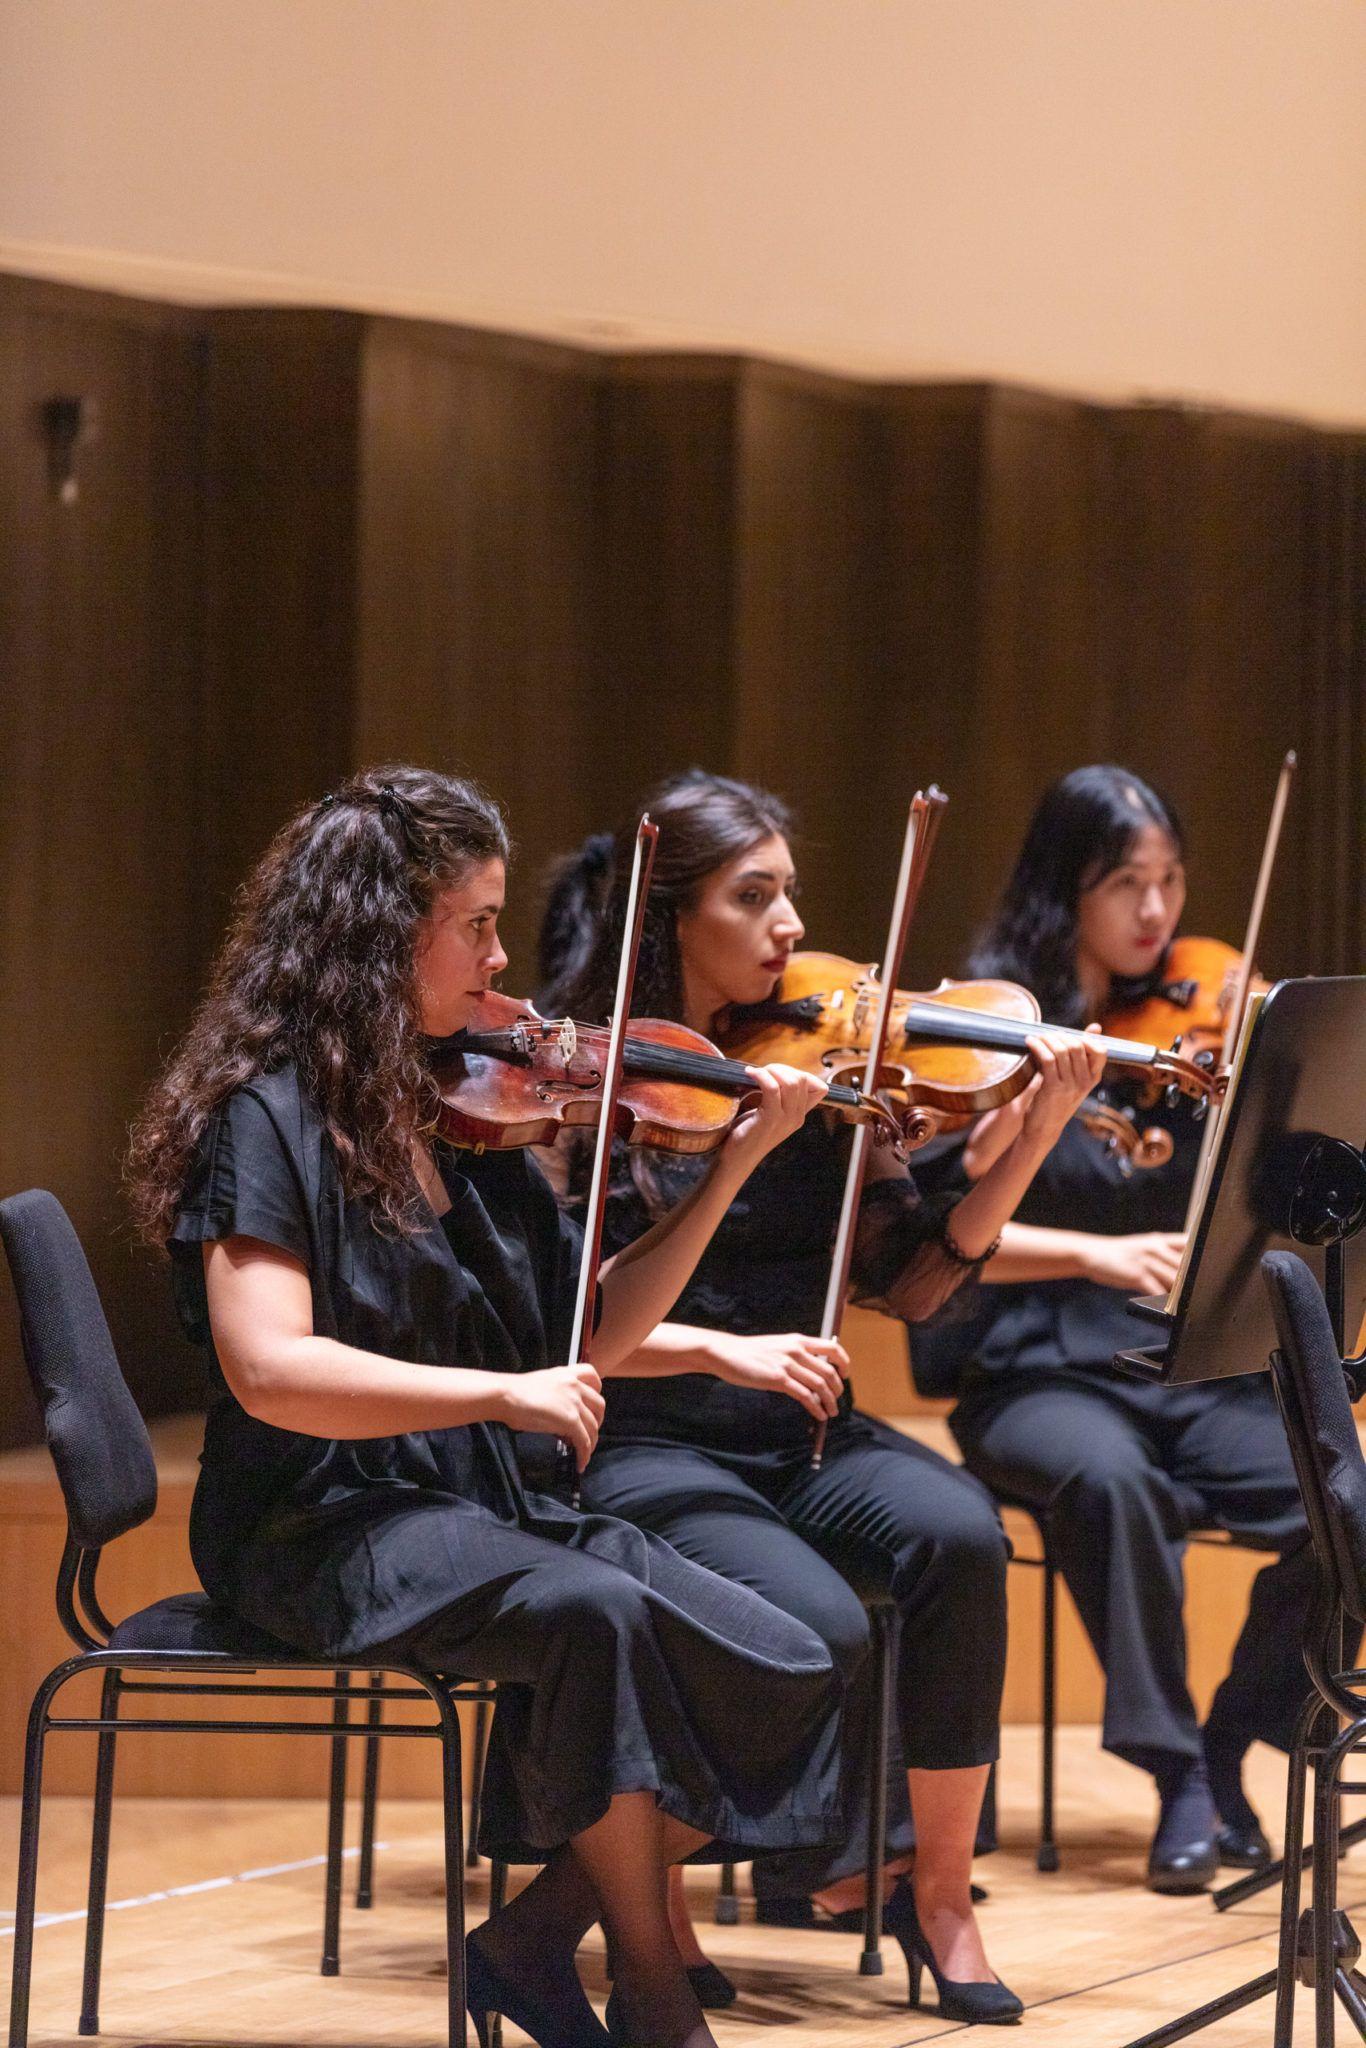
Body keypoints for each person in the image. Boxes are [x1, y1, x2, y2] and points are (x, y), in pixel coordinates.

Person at [126, 764, 859, 2048]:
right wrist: (498, 1390)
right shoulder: (269, 1117)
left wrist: (731, 1164)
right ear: (380, 930)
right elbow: (269, 1368)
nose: (502, 954)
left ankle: (526, 1939)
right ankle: (650, 1992)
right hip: (320, 1515)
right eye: (475, 922)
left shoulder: (466, 1105)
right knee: (592, 1611)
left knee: (796, 1654)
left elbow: (589, 1331)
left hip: (476, 1496)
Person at [540, 768, 1105, 2023]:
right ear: (671, 917)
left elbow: (912, 1286)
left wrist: (1033, 1133)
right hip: (648, 1442)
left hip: (801, 1434)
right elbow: (571, 1327)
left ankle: (938, 1894)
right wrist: (727, 1277)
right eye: (756, 897)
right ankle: (680, 1901)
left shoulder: (825, 1059)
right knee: (802, 1614)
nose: (793, 926)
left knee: (959, 1533)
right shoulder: (598, 1085)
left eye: (790, 891)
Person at [910, 763, 1320, 1893]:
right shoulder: (991, 1021)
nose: (1156, 911)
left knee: (1350, 1507)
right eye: (1125, 883)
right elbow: (940, 1234)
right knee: (1109, 1483)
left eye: (1171, 880)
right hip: (1036, 1368)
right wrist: (1074, 1210)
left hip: (1182, 1367)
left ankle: (1235, 1735)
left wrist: (1274, 1092)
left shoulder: (1202, 1015)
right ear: (1066, 886)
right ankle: (1176, 1769)